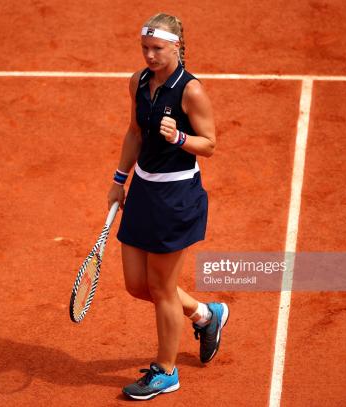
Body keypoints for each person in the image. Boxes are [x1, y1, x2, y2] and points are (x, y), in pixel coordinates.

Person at [106, 13, 230, 401]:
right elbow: (134, 132)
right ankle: (206, 315)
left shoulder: (191, 91)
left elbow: (209, 143)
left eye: (157, 48)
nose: (150, 55)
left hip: (176, 199)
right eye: (145, 48)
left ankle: (166, 371)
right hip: (143, 191)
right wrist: (118, 179)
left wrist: (179, 137)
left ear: (176, 46)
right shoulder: (138, 82)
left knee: (161, 288)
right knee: (137, 285)